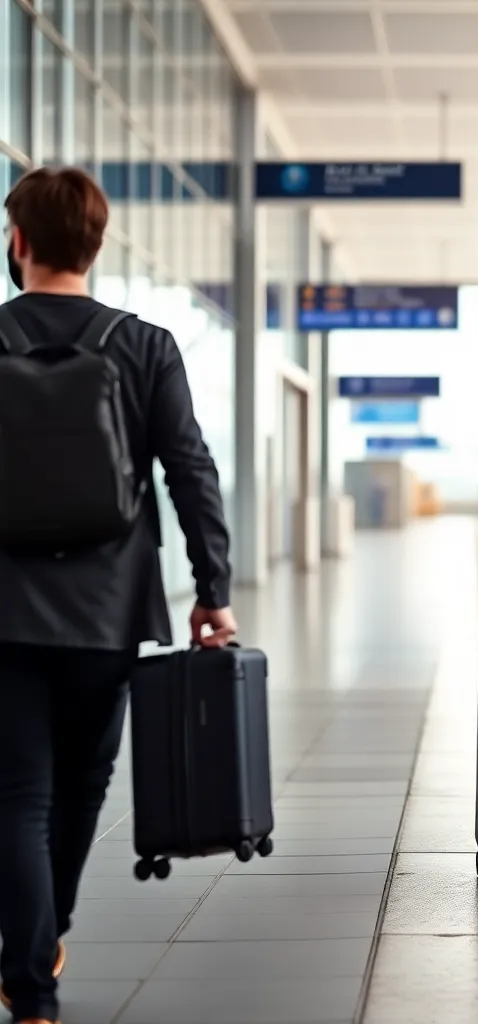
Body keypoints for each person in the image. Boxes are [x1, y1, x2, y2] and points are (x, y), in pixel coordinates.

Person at [0, 167, 236, 1024]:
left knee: (17, 795)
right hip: (108, 610)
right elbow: (190, 471)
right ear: (94, 246)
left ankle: (32, 984)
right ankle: (42, 939)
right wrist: (213, 588)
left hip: (6, 609)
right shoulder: (143, 345)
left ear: (19, 242)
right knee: (79, 788)